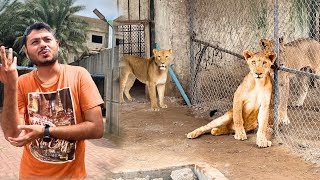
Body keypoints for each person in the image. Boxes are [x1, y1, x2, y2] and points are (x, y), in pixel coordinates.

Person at [0, 22, 104, 179]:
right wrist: (10, 86)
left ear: (57, 45)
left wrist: (46, 131)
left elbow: (96, 129)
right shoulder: (22, 83)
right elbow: (13, 135)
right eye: (35, 42)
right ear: (27, 54)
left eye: (47, 39)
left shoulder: (79, 75)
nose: (42, 44)